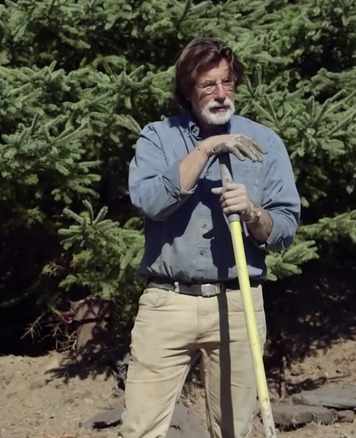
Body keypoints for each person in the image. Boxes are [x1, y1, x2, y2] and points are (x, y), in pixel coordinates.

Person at [121, 37, 301, 438]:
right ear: (188, 90)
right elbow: (149, 201)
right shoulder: (158, 138)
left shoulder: (265, 142)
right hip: (168, 302)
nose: (221, 94)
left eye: (227, 83)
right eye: (208, 85)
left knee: (234, 430)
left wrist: (253, 213)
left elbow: (285, 228)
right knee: (140, 428)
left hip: (238, 303)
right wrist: (206, 150)